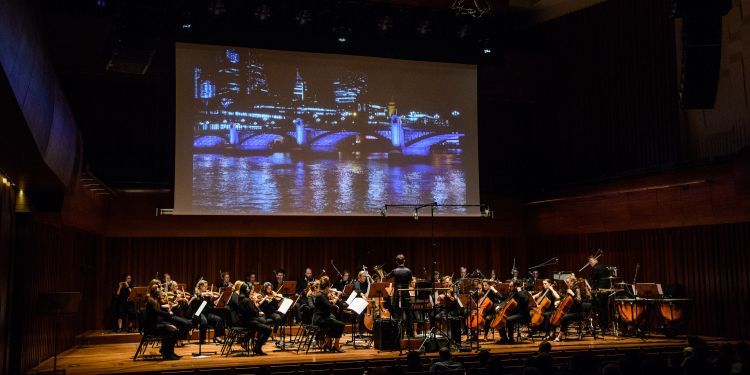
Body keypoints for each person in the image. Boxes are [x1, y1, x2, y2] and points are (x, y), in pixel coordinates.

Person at [144, 284, 180, 360]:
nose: (161, 292)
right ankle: (167, 354)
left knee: (175, 329)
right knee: (173, 331)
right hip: (152, 327)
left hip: (156, 324)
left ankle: (170, 352)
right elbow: (157, 311)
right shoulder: (150, 301)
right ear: (155, 292)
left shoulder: (155, 300)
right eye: (160, 291)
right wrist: (168, 314)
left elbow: (159, 309)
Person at [385, 253, 415, 337]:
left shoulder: (394, 271)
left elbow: (386, 277)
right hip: (405, 293)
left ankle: (397, 334)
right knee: (408, 313)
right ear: (404, 261)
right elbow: (410, 281)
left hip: (397, 293)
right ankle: (410, 333)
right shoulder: (408, 271)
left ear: (396, 262)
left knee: (397, 313)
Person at [313, 276, 345, 352]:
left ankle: (328, 343)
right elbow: (329, 306)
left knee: (334, 322)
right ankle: (336, 346)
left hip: (322, 317)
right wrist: (336, 299)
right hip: (320, 319)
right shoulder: (321, 295)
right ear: (327, 287)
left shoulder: (321, 295)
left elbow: (327, 304)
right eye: (329, 287)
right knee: (341, 324)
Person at [188, 279, 225, 344]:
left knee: (219, 319)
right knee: (204, 322)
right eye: (205, 286)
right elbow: (195, 299)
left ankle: (217, 336)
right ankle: (202, 339)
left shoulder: (207, 295)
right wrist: (204, 294)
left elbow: (210, 304)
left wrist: (214, 301)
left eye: (207, 286)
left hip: (206, 313)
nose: (206, 288)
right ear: (200, 286)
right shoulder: (196, 293)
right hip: (198, 313)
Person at [495, 279, 530, 344]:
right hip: (514, 313)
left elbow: (525, 301)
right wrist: (499, 306)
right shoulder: (512, 293)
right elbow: (506, 301)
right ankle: (504, 337)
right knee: (500, 318)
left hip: (523, 314)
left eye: (511, 286)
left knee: (508, 319)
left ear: (516, 286)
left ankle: (511, 339)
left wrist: (519, 292)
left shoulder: (524, 292)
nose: (509, 288)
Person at [552, 276, 583, 341]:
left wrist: (573, 294)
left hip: (577, 312)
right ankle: (552, 334)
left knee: (564, 317)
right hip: (570, 311)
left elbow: (579, 301)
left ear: (572, 282)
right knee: (553, 314)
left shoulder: (577, 289)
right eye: (566, 282)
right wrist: (559, 302)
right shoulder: (569, 289)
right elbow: (566, 300)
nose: (567, 284)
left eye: (568, 282)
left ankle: (560, 336)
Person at [588, 255, 609, 332]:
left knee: (600, 310)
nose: (590, 264)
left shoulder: (595, 268)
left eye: (590, 262)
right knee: (605, 309)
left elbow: (593, 279)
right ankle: (606, 326)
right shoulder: (604, 267)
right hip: (606, 290)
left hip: (599, 291)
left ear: (594, 260)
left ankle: (602, 327)